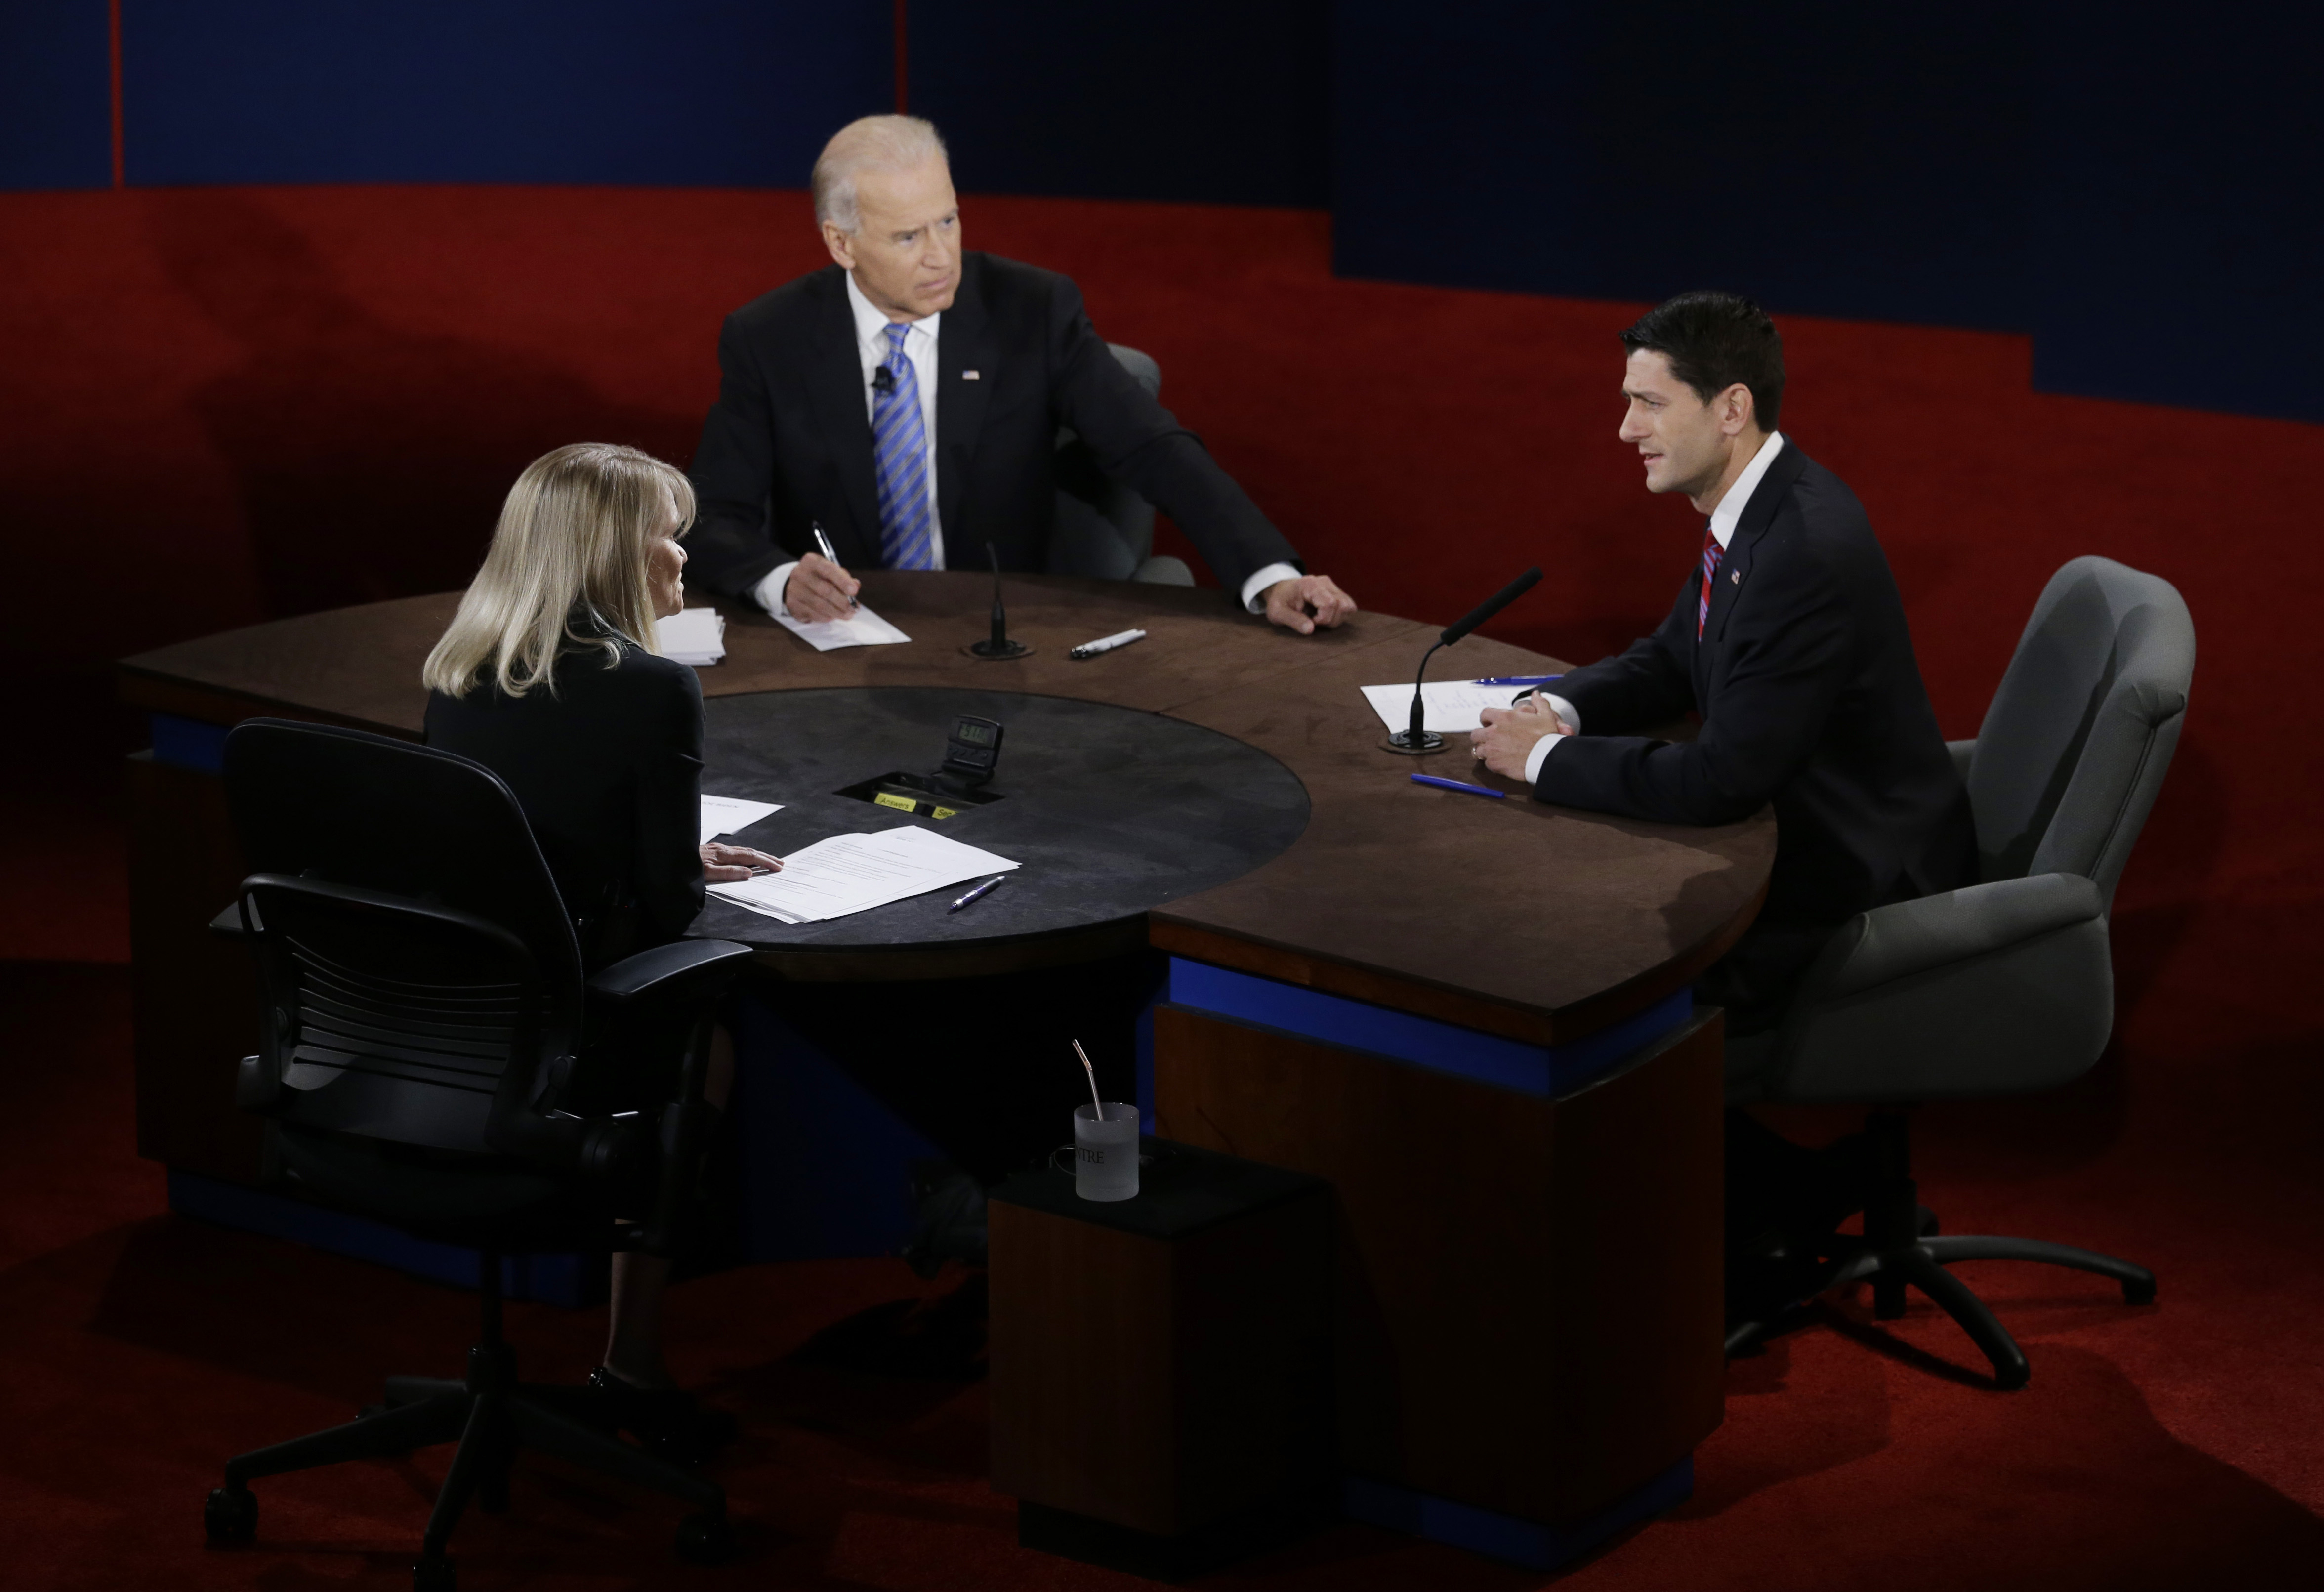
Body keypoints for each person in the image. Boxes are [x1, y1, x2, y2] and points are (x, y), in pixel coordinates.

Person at [1467, 293, 1975, 1315]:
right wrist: (1555, 705)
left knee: (1594, 966)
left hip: (1854, 874)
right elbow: (1673, 660)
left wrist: (1545, 766)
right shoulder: (1759, 510)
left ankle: (1696, 1252)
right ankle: (1783, 1200)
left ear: (1730, 407)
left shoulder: (1803, 552)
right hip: (1818, 825)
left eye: (1649, 404)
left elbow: (1721, 780)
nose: (1626, 430)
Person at [422, 441, 779, 1459]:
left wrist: (662, 851)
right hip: (565, 1021)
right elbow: (668, 916)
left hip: (453, 1012)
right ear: (614, 555)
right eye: (667, 535)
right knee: (699, 1041)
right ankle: (632, 1357)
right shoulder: (653, 687)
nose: (683, 557)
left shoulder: (462, 667)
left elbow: (509, 827)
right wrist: (675, 866)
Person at [683, 114, 1358, 635]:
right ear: (841, 242)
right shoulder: (769, 338)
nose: (941, 255)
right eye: (908, 237)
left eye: (948, 220)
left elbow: (1152, 446)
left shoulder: (1031, 311)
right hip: (849, 639)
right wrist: (778, 579)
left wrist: (1268, 573)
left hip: (1008, 640)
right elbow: (713, 514)